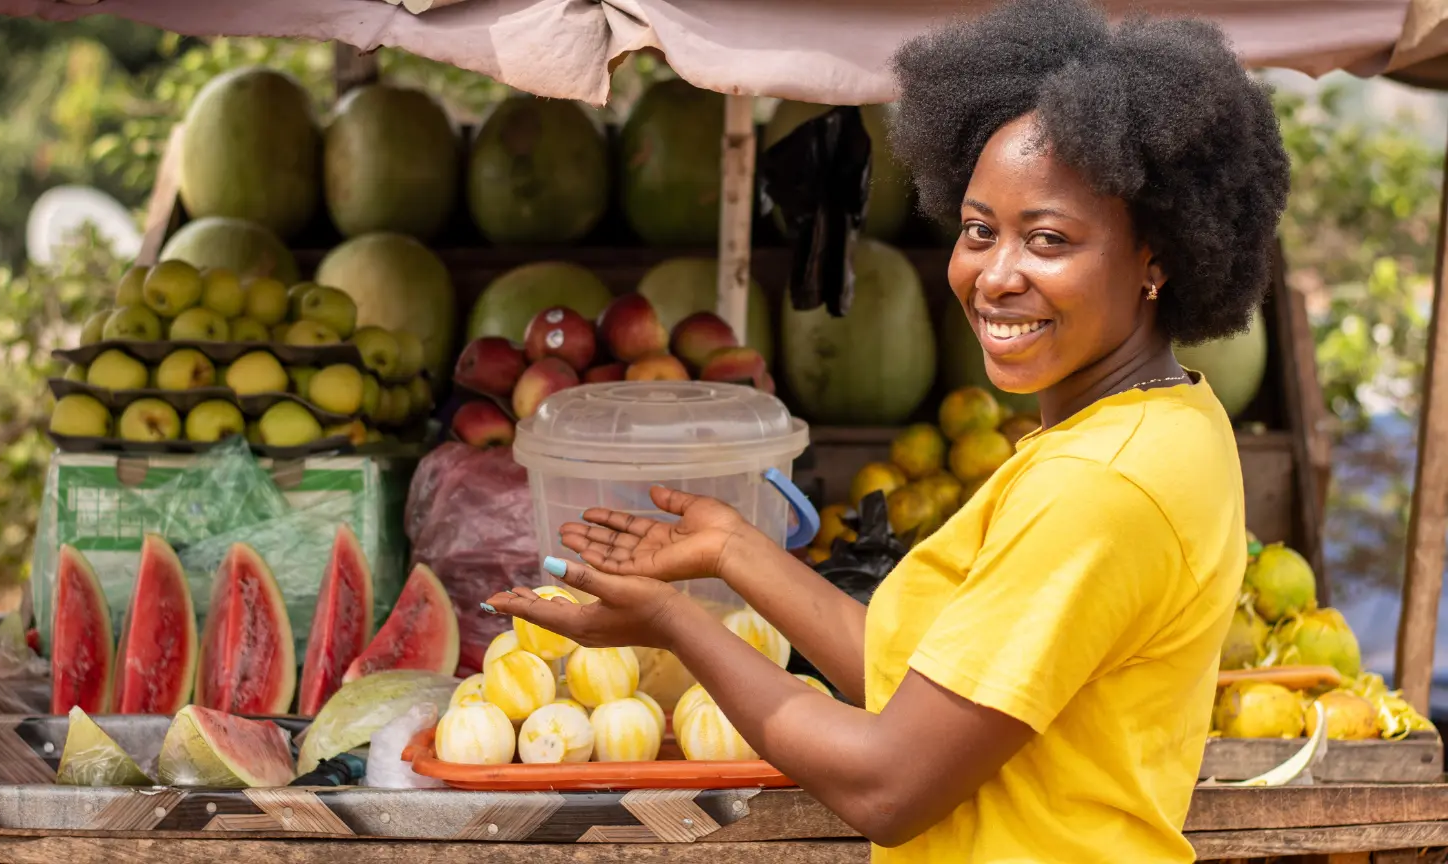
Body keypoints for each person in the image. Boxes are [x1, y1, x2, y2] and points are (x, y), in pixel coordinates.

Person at [482, 0, 1289, 859]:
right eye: (979, 230)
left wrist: (681, 625)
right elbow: (919, 685)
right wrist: (734, 554)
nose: (995, 275)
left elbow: (888, 783)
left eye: (1048, 239)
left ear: (1157, 257)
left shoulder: (1098, 486)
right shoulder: (1167, 421)